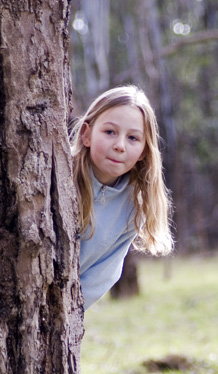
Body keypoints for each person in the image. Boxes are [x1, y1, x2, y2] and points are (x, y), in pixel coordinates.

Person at [71, 85, 174, 310]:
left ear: (144, 151)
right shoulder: (60, 178)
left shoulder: (133, 207)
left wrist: (66, 310)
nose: (119, 146)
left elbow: (104, 273)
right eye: (110, 132)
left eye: (133, 138)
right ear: (86, 134)